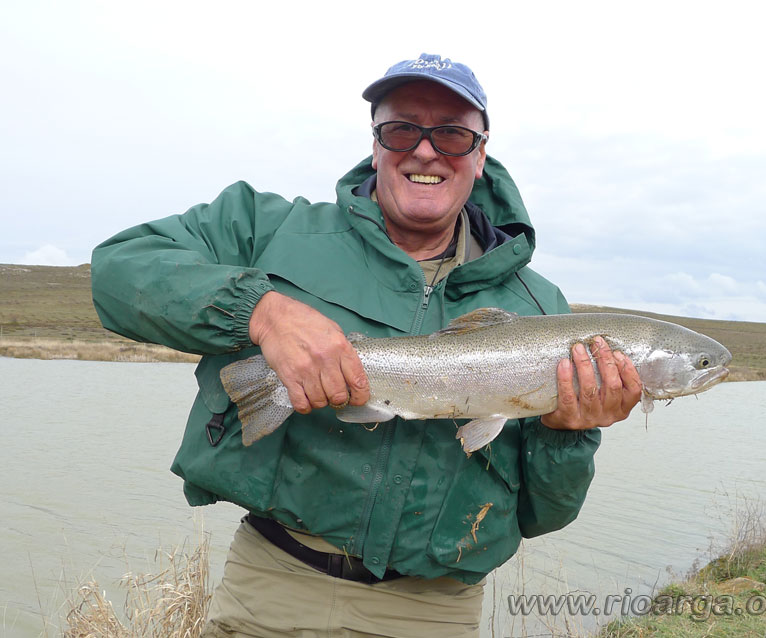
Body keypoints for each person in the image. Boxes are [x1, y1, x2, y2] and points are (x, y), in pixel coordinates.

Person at [91, 53, 642, 638]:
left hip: (434, 613)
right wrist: (262, 312)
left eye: (452, 135)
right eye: (402, 129)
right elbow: (117, 271)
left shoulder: (543, 309)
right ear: (376, 144)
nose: (425, 151)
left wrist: (568, 434)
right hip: (270, 586)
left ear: (481, 155)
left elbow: (546, 515)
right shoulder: (266, 228)